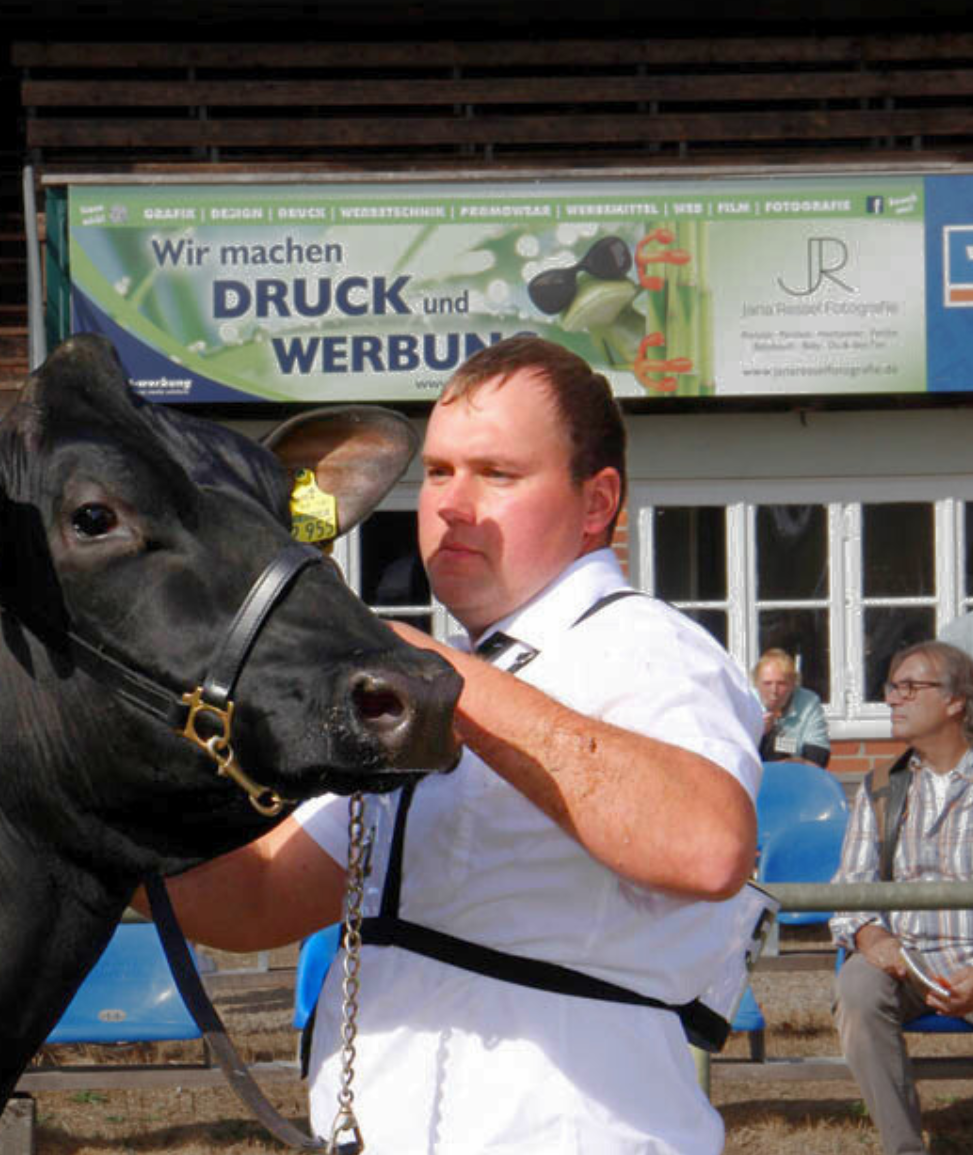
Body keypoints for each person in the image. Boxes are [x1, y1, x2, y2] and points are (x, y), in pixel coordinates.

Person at [149, 337, 762, 1154]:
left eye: (497, 473)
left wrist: (436, 676)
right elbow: (256, 899)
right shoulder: (458, 677)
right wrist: (91, 804)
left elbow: (708, 845)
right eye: (437, 472)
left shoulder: (645, 646)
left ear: (597, 502)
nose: (452, 504)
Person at [830, 640, 973, 1155]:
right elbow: (850, 893)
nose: (893, 699)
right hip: (906, 963)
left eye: (910, 687)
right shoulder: (881, 789)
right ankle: (904, 1148)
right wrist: (874, 939)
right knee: (858, 986)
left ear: (955, 701)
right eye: (892, 687)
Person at [753, 648, 831, 767]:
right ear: (756, 683)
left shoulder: (808, 702)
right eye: (767, 683)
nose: (774, 691)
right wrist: (758, 732)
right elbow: (735, 757)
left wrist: (790, 765)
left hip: (797, 774)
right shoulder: (745, 702)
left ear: (793, 684)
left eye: (781, 684)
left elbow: (818, 758)